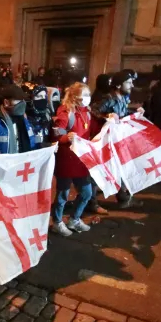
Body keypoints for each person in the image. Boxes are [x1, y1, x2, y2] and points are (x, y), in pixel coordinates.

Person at [50, 83, 108, 237]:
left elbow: (96, 129)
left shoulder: (87, 113)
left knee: (86, 193)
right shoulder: (65, 114)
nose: (88, 98)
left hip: (81, 161)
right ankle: (57, 222)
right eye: (84, 95)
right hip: (66, 161)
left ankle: (74, 219)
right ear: (75, 97)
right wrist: (66, 138)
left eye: (88, 94)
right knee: (63, 194)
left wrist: (111, 121)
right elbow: (55, 135)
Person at [93, 71, 145, 208]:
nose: (132, 85)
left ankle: (123, 198)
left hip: (116, 140)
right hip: (105, 141)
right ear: (118, 85)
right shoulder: (109, 98)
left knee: (119, 167)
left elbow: (122, 114)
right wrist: (107, 116)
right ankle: (91, 202)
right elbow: (93, 110)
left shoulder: (122, 98)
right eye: (128, 82)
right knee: (101, 170)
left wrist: (135, 113)